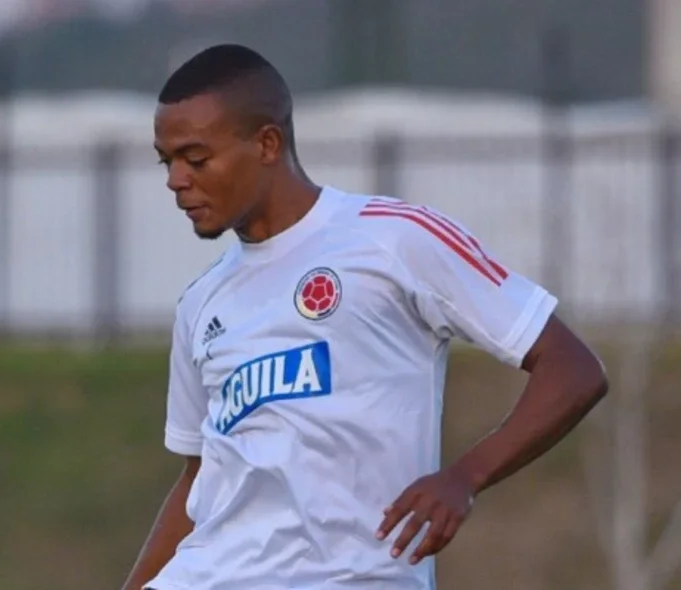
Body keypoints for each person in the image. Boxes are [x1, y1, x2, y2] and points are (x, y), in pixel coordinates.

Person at [121, 44, 609, 590]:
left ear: (266, 143)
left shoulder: (391, 239)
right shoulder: (201, 302)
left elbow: (573, 369)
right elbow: (199, 480)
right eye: (168, 162)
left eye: (196, 158)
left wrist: (464, 477)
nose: (176, 180)